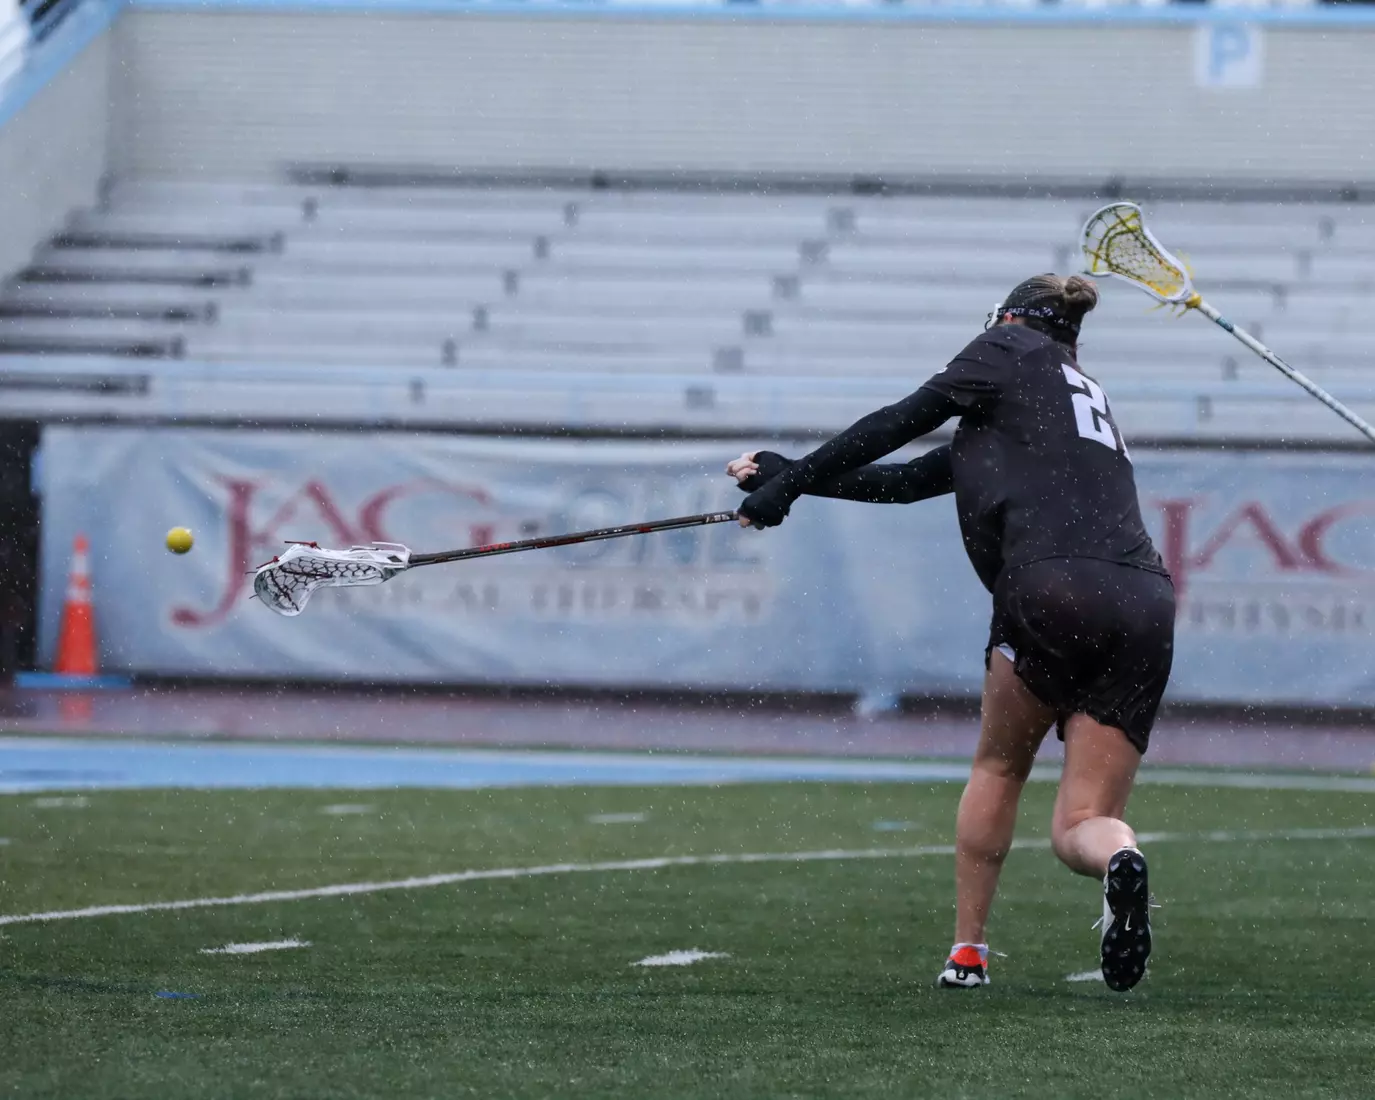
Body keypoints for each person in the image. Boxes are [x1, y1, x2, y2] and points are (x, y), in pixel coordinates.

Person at [727, 274, 1174, 992]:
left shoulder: (1007, 349)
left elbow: (899, 417)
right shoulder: (1062, 401)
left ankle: (968, 952)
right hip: (1145, 599)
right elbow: (905, 480)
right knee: (1081, 823)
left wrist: (789, 482)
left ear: (1005, 320)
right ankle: (1120, 857)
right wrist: (794, 477)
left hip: (1049, 587)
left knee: (999, 768)